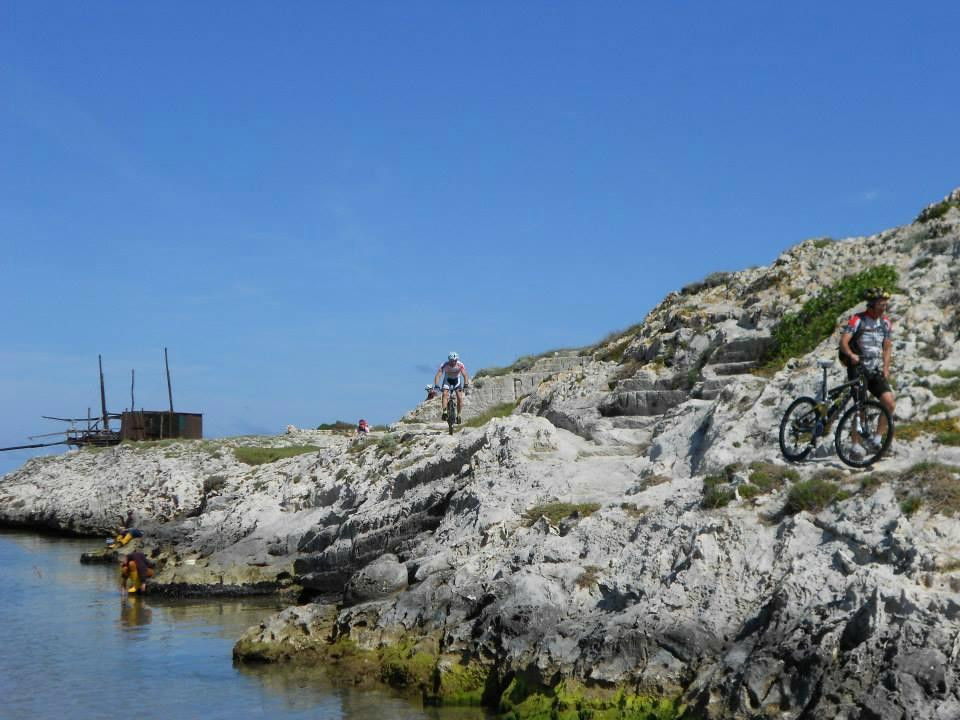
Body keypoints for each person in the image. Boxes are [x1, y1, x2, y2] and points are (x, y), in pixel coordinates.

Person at [839, 286, 895, 455]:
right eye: (881, 303)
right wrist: (851, 355)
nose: (884, 305)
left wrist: (886, 367)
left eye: (885, 303)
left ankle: (877, 441)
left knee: (889, 403)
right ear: (871, 304)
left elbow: (886, 348)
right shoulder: (857, 319)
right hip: (857, 368)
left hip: (874, 368)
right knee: (859, 407)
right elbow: (844, 342)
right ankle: (855, 445)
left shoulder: (886, 323)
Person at [433, 352, 471, 424]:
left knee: (459, 396)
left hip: (457, 380)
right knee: (445, 394)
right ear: (449, 360)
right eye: (451, 361)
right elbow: (438, 375)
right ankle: (445, 412)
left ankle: (459, 415)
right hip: (447, 380)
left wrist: (466, 384)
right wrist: (437, 385)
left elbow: (465, 375)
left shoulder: (460, 365)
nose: (453, 362)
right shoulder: (444, 365)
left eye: (455, 360)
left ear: (457, 360)